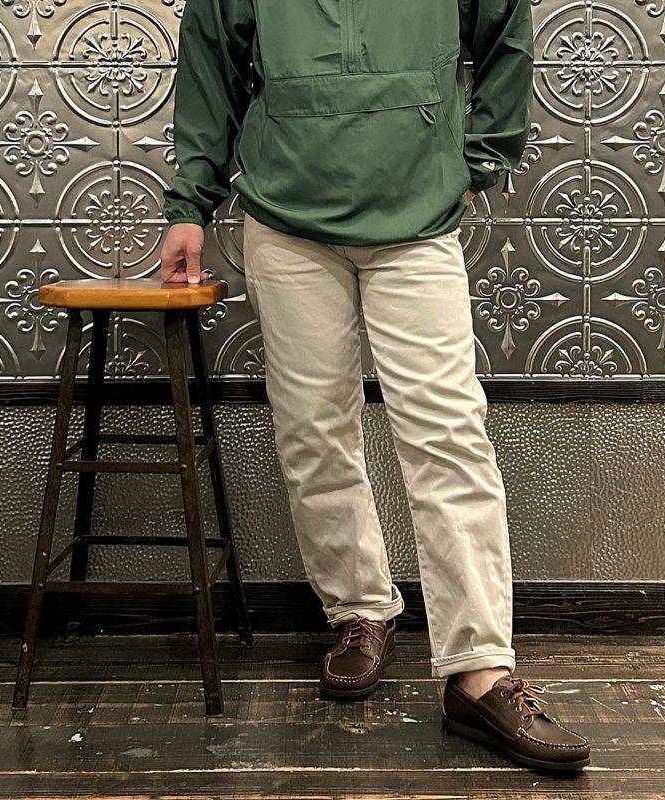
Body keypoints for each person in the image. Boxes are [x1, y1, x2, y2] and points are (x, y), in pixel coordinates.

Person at [160, 0, 590, 773]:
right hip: (286, 218)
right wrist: (189, 203)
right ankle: (359, 610)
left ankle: (479, 669)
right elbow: (210, 64)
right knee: (312, 428)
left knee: (447, 434)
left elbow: (506, 32)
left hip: (417, 217)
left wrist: (482, 159)